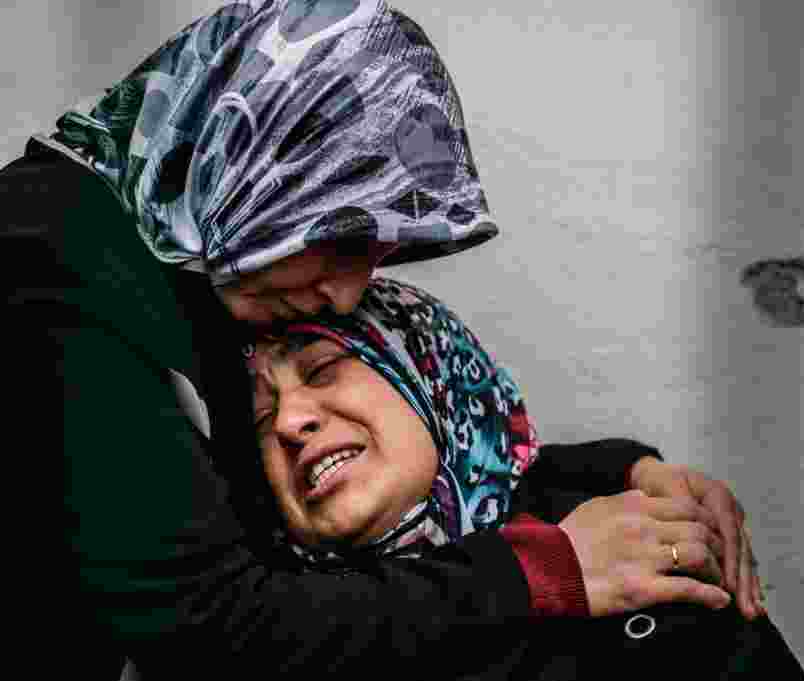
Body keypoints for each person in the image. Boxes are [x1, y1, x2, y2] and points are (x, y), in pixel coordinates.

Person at [3, 0, 765, 677]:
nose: (348, 290)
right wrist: (545, 569)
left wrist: (617, 481)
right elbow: (214, 622)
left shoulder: (174, 260)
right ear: (262, 162)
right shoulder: (57, 267)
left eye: (328, 367)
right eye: (342, 239)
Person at [233, 276, 804, 679]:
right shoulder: (265, 639)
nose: (288, 420)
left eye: (324, 368)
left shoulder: (636, 547)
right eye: (259, 418)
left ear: (433, 379)